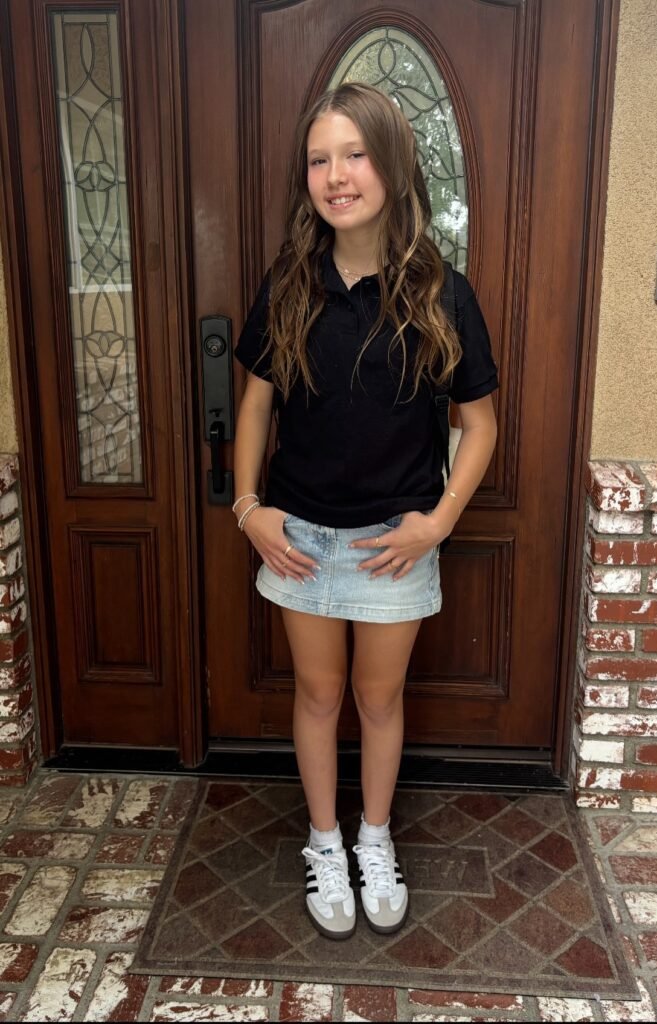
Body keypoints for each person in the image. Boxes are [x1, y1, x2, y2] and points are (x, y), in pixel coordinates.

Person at [232, 82, 498, 940]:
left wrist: (440, 520)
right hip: (300, 539)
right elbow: (254, 406)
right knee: (317, 695)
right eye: (319, 159)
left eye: (353, 154)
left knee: (378, 703)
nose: (335, 175)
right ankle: (324, 841)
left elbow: (480, 422)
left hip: (395, 542)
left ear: (390, 166)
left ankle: (373, 839)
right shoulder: (288, 284)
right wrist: (247, 509)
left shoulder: (442, 293)